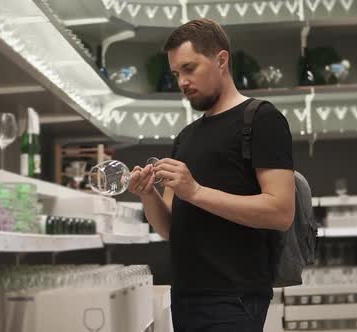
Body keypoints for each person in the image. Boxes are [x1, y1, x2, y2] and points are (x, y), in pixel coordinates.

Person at [128, 19, 295, 332]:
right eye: (176, 73)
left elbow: (281, 211)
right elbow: (169, 227)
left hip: (235, 296)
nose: (182, 82)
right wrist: (147, 194)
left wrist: (195, 191)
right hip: (185, 294)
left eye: (190, 68)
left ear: (221, 60)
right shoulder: (185, 137)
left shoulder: (261, 119)